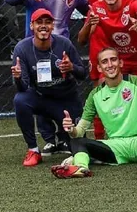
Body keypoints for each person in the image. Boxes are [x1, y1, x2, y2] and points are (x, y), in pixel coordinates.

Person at [50, 47, 137, 178]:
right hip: (115, 148)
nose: (110, 65)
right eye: (105, 61)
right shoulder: (95, 95)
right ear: (99, 68)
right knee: (77, 141)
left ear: (121, 63)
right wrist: (71, 129)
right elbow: (79, 131)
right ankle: (81, 167)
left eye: (113, 60)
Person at [12, 9, 86, 166]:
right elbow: (23, 88)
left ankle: (66, 138)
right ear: (31, 26)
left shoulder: (64, 44)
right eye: (39, 22)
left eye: (47, 22)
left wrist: (71, 67)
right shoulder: (22, 49)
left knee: (81, 148)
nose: (43, 26)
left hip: (66, 100)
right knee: (20, 100)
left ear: (53, 26)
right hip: (42, 99)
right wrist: (17, 78)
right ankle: (33, 149)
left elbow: (82, 73)